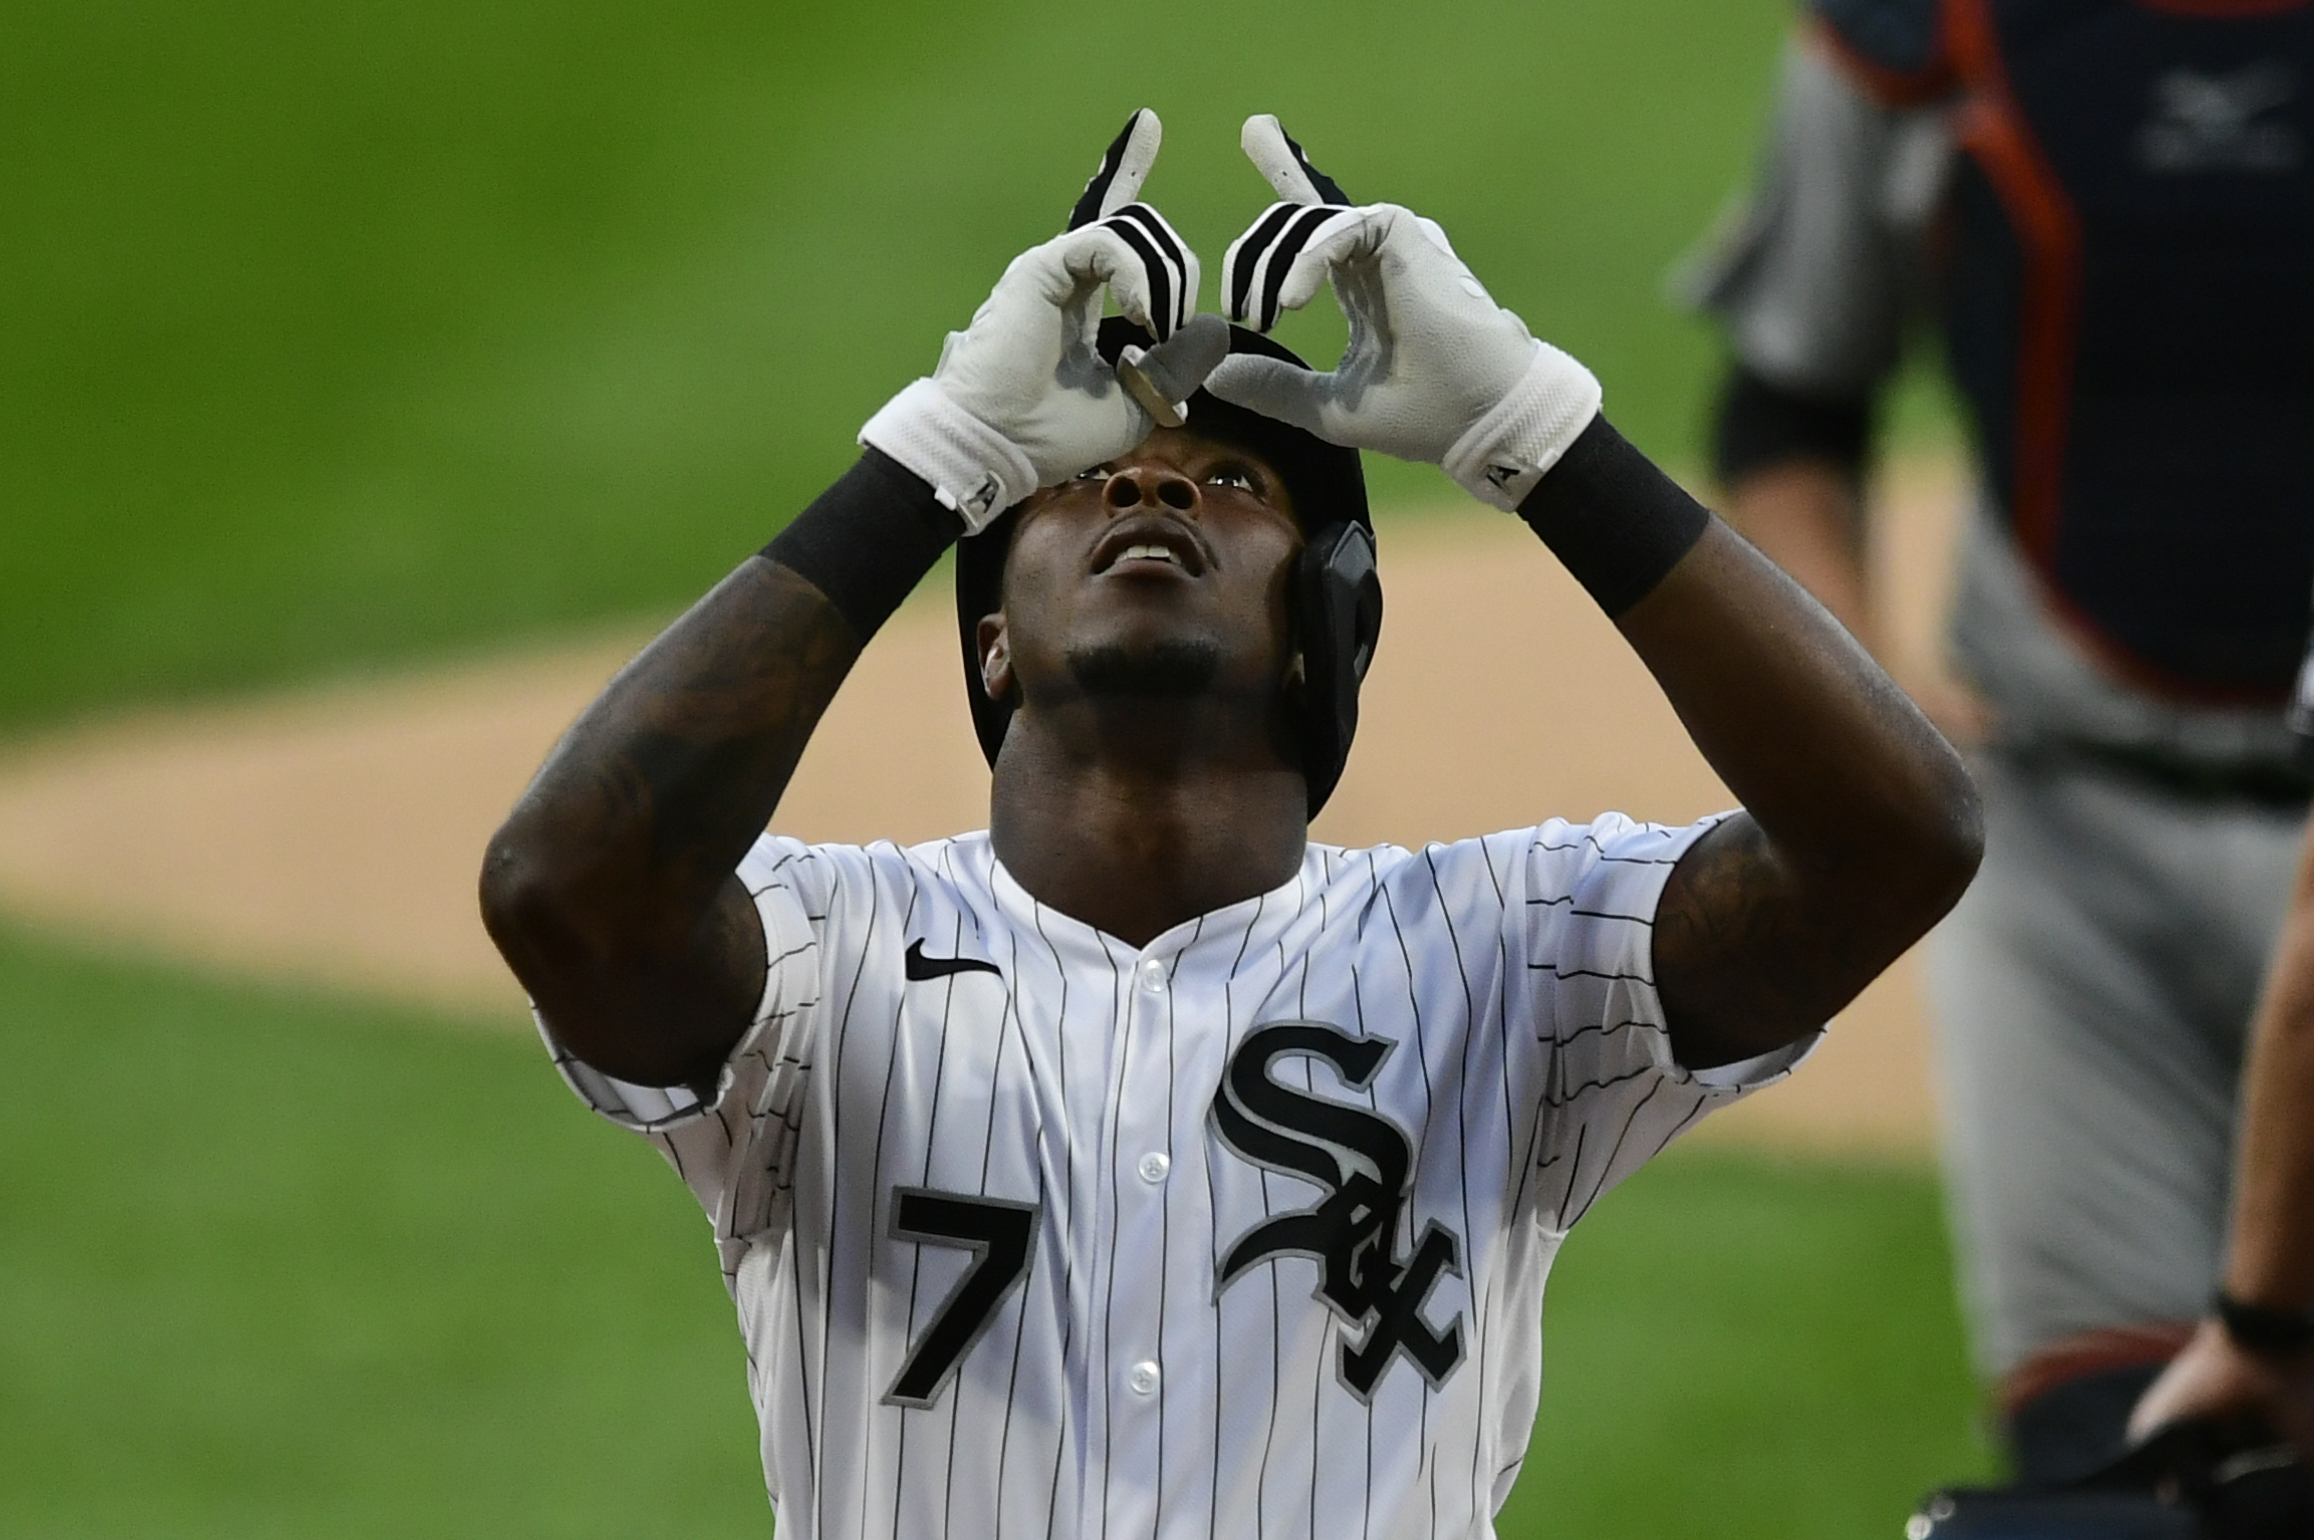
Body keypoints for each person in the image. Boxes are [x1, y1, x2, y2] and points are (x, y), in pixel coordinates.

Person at [479, 110, 1979, 1537]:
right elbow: (561, 885)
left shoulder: (1515, 957)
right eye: (1069, 483)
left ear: (1323, 620)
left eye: (1228, 479)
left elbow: (1894, 838)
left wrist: (1536, 430)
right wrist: (934, 459)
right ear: (990, 638)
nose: (1146, 481)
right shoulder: (819, 963)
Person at [1685, 0, 2314, 1485]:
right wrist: (1867, 693)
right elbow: (1784, 401)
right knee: (2102, 1460)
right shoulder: (1920, 32)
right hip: (2065, 851)